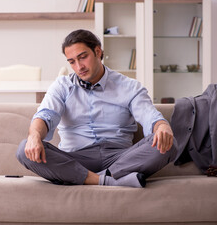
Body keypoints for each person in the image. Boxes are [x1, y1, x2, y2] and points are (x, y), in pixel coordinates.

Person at [16, 29, 177, 187]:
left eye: (83, 57)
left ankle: (85, 178)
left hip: (119, 157)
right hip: (75, 158)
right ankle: (107, 180)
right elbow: (45, 116)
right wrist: (35, 136)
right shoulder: (62, 86)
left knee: (170, 144)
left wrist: (162, 126)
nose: (79, 66)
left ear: (98, 51)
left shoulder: (129, 86)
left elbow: (149, 115)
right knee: (24, 149)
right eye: (72, 62)